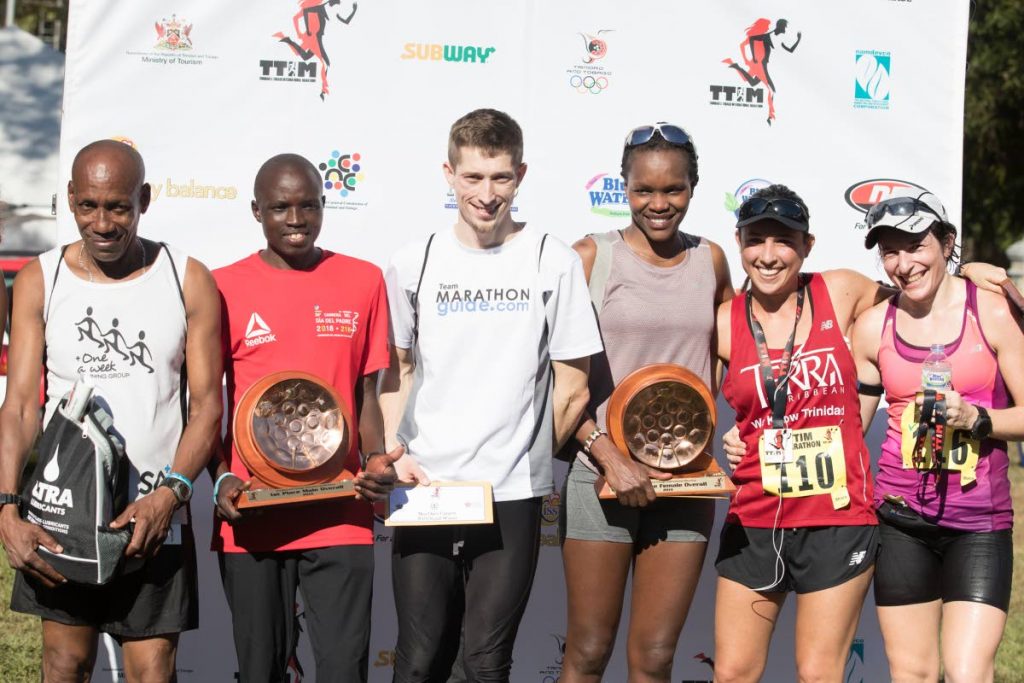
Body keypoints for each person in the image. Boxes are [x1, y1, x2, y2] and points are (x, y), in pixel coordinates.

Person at [712, 185, 1009, 683]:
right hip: (758, 509)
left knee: (819, 672)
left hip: (838, 515)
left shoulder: (842, 290)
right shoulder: (723, 321)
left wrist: (969, 270)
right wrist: (731, 437)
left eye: (783, 239)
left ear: (807, 245)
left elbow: (921, 292)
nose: (767, 255)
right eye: (754, 239)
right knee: (734, 671)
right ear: (738, 242)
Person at [380, 108, 602, 683]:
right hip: (423, 488)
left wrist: (516, 456)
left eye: (500, 177)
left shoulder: (553, 260)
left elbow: (573, 386)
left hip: (512, 494)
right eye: (473, 177)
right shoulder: (413, 261)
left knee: (484, 661)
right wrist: (395, 453)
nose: (486, 193)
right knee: (419, 656)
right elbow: (397, 370)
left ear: (521, 175)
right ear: (448, 174)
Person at [0, 139, 223, 682]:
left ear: (144, 199)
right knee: (65, 661)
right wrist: (7, 505)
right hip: (64, 513)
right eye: (88, 206)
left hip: (154, 515)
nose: (101, 223)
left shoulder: (185, 278)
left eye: (118, 207)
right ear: (71, 198)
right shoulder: (40, 279)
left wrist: (171, 494)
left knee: (152, 668)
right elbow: (21, 407)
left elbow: (208, 406)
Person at [209, 153, 401, 683]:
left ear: (323, 205)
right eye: (280, 207)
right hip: (253, 510)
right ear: (255, 211)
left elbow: (368, 394)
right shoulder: (221, 286)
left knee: (343, 670)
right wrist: (220, 478)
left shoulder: (362, 280)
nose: (296, 219)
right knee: (259, 671)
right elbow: (204, 403)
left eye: (308, 205)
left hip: (339, 508)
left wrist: (379, 460)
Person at [558, 123, 733, 683]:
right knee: (587, 651)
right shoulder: (589, 258)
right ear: (624, 188)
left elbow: (731, 346)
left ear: (693, 187)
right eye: (643, 191)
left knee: (656, 658)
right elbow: (553, 378)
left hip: (686, 482)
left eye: (673, 190)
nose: (658, 204)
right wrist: (608, 455)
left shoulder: (712, 259)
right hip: (602, 474)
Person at [851, 191, 1024, 683]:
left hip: (980, 524)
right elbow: (850, 427)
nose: (903, 263)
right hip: (901, 521)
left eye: (915, 245)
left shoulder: (990, 313)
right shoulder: (871, 327)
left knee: (968, 673)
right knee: (913, 674)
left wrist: (978, 418)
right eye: (889, 250)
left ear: (947, 243)